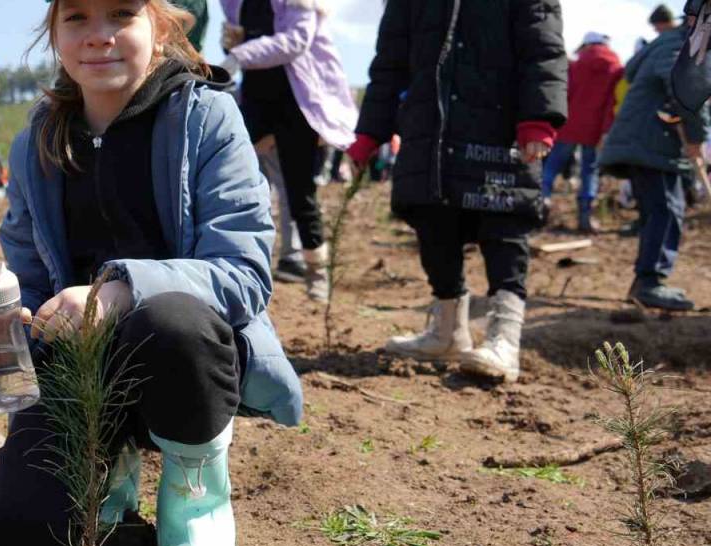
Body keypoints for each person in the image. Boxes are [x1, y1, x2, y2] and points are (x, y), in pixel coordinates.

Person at [0, 0, 302, 546]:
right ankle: (111, 458)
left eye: (121, 14)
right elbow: (32, 283)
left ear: (160, 26)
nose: (99, 37)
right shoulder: (39, 140)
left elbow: (243, 274)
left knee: (173, 320)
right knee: (24, 530)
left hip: (181, 358)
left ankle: (194, 491)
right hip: (82, 367)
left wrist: (118, 292)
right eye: (77, 18)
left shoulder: (209, 119)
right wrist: (6, 325)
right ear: (54, 33)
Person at [347, 0, 566, 384]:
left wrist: (538, 118)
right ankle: (448, 332)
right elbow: (390, 63)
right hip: (429, 132)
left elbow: (543, 49)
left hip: (500, 128)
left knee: (503, 230)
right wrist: (369, 132)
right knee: (433, 225)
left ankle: (504, 339)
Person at [218, 0, 359, 302]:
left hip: (296, 103)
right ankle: (237, 266)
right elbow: (237, 40)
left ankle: (316, 271)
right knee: (230, 179)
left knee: (299, 193)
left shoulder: (299, 3)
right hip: (255, 102)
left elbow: (295, 42)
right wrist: (231, 45)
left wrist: (239, 56)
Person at [598, 17, 708, 312]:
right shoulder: (679, 46)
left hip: (647, 141)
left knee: (660, 209)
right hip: (650, 142)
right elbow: (686, 87)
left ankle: (646, 282)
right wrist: (697, 134)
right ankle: (649, 283)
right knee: (666, 209)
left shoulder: (669, 44)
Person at [542, 31, 624, 234]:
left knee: (551, 167)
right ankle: (585, 218)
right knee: (590, 172)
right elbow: (610, 104)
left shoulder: (577, 63)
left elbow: (564, 93)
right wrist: (606, 131)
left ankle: (540, 204)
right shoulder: (616, 67)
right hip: (595, 130)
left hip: (569, 125)